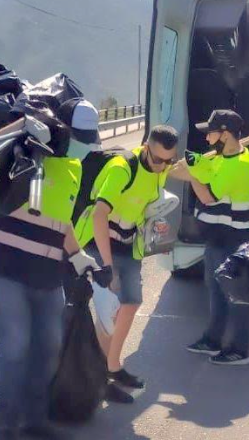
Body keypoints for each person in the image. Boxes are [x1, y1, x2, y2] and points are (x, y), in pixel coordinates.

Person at [0, 114, 101, 440]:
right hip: (6, 266)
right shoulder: (26, 153)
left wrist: (78, 257)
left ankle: (34, 418)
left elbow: (61, 221)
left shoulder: (74, 166)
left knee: (49, 344)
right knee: (15, 346)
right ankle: (3, 427)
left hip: (47, 271)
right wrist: (18, 127)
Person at [76, 125, 178, 404]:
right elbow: (99, 215)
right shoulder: (122, 169)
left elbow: (174, 175)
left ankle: (112, 366)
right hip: (100, 243)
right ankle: (95, 381)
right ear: (146, 147)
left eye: (169, 161)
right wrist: (107, 268)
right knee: (109, 311)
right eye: (158, 160)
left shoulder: (162, 167)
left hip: (128, 244)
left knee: (131, 303)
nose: (162, 167)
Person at [168, 110, 249, 366]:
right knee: (215, 289)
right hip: (216, 238)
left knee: (236, 294)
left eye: (211, 132)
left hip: (235, 240)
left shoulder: (240, 165)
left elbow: (208, 197)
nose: (207, 138)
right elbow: (188, 170)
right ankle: (213, 340)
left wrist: (192, 174)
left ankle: (240, 350)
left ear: (225, 134)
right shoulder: (221, 158)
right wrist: (185, 165)